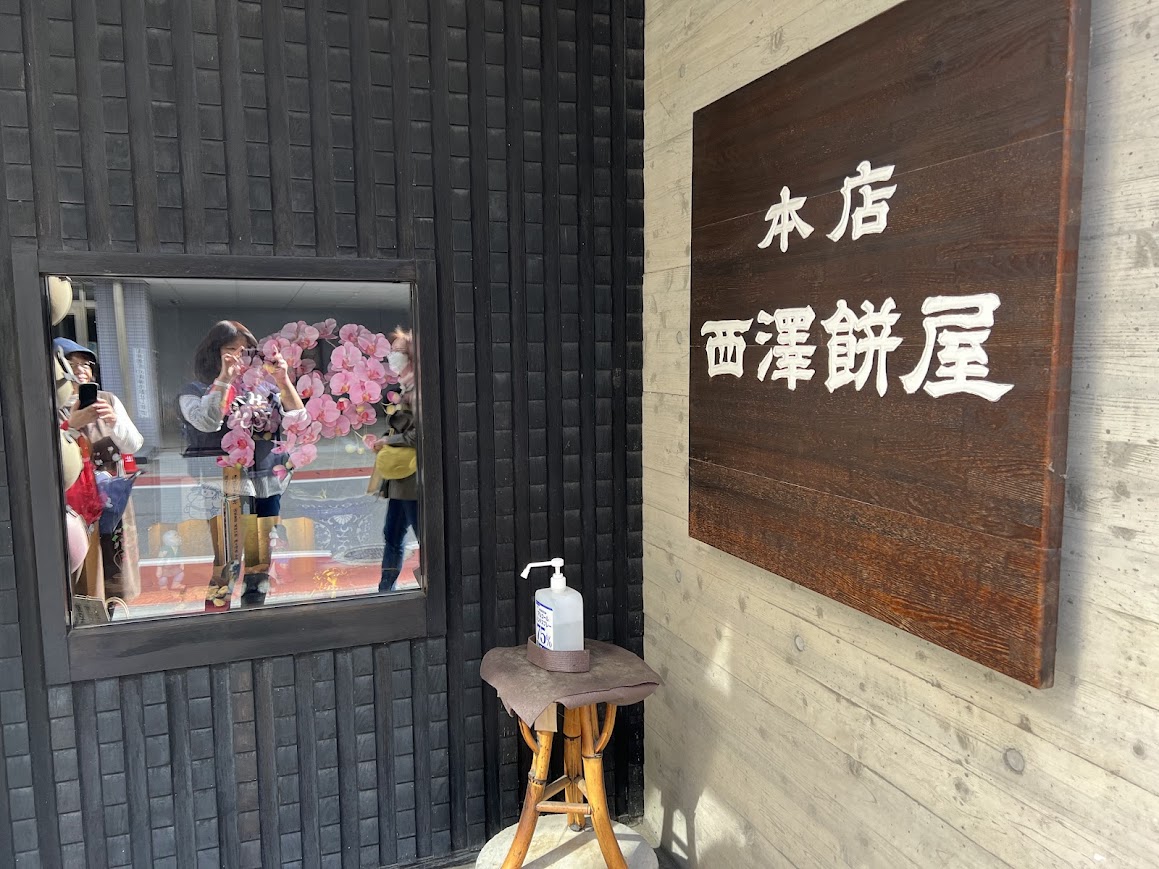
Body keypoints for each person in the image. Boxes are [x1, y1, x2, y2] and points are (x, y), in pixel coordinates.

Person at [178, 320, 306, 609]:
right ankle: (217, 618)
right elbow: (207, 422)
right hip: (225, 486)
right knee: (227, 559)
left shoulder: (263, 388)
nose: (239, 356)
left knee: (260, 558)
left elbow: (299, 421)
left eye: (246, 350)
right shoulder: (195, 390)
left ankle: (253, 613)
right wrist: (224, 378)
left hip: (265, 483)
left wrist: (283, 379)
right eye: (230, 349)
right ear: (213, 352)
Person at [54, 337, 145, 603]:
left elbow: (134, 444)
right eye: (72, 363)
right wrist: (72, 424)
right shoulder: (50, 406)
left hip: (111, 499)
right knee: (82, 575)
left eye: (86, 364)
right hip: (74, 505)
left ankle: (113, 611)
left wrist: (114, 422)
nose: (81, 369)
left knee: (114, 567)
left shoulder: (107, 400)